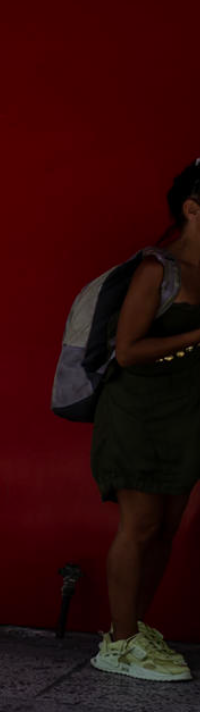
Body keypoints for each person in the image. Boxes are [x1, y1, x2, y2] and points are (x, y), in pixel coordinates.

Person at [88, 160, 200, 681]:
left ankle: (135, 627)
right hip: (136, 411)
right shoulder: (158, 268)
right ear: (192, 210)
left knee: (168, 528)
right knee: (142, 523)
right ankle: (119, 642)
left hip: (186, 412)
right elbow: (129, 352)